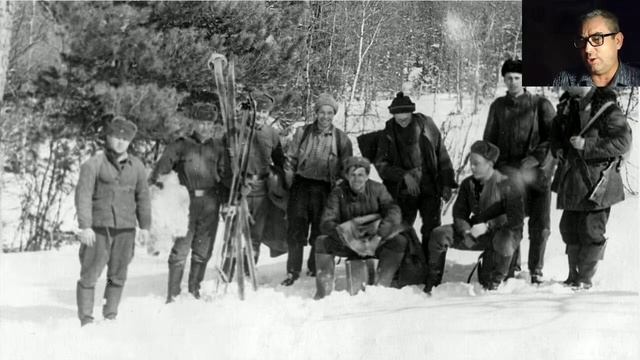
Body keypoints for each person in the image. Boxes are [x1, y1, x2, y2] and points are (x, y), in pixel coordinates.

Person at [550, 86, 631, 289]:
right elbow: (555, 135)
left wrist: (587, 144)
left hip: (596, 182)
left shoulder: (608, 109)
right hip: (573, 180)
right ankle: (572, 276)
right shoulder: (567, 106)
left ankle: (584, 280)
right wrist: (558, 149)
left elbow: (622, 142)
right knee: (569, 229)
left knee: (591, 230)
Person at [483, 59, 556, 284]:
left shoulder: (540, 104)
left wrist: (536, 157)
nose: (513, 82)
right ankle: (510, 265)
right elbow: (489, 142)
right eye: (509, 78)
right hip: (508, 175)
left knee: (540, 226)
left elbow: (553, 138)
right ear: (503, 80)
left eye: (517, 78)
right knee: (511, 222)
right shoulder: (498, 106)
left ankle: (536, 270)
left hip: (538, 174)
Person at [75, 116, 151, 326]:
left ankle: (110, 316)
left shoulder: (137, 167)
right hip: (99, 229)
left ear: (130, 142)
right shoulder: (94, 164)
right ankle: (86, 320)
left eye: (125, 139)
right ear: (108, 137)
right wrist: (85, 226)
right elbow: (83, 196)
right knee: (90, 274)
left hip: (126, 229)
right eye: (116, 137)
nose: (120, 142)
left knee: (118, 275)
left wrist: (145, 226)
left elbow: (143, 197)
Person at [425, 141, 525, 293]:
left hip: (502, 237)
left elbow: (516, 219)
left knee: (487, 280)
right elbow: (459, 213)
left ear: (490, 164)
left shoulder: (507, 184)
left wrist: (488, 226)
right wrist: (465, 231)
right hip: (476, 234)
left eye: (476, 164)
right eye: (471, 163)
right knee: (439, 234)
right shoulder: (468, 184)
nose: (471, 167)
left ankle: (497, 281)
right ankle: (433, 282)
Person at [149, 116, 227, 302]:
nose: (205, 126)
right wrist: (159, 191)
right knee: (181, 249)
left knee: (203, 249)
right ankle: (173, 294)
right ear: (194, 123)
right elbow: (162, 170)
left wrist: (228, 201)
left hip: (210, 203)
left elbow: (225, 177)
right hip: (185, 203)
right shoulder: (181, 145)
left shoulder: (218, 148)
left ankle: (194, 289)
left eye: (209, 123)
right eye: (202, 122)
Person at [374, 92, 457, 264]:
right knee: (402, 230)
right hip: (403, 191)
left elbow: (441, 153)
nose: (403, 121)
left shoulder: (427, 126)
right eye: (399, 118)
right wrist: (404, 175)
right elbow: (382, 166)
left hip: (430, 187)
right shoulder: (387, 134)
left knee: (432, 231)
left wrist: (447, 183)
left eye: (406, 117)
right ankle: (408, 269)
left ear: (412, 113)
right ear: (393, 114)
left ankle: (432, 272)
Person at [281, 93, 353, 286]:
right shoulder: (302, 133)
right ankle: (292, 271)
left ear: (334, 115)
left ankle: (314, 267)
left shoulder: (342, 139)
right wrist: (291, 185)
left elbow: (347, 170)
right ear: (316, 113)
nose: (325, 117)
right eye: (322, 112)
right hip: (301, 186)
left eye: (330, 113)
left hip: (325, 189)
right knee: (296, 229)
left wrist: (338, 190)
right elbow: (290, 160)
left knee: (320, 230)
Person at [314, 157, 407, 299]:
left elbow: (393, 211)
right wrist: (347, 235)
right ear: (346, 176)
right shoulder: (338, 193)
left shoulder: (378, 189)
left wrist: (379, 235)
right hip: (348, 241)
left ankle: (381, 287)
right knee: (321, 242)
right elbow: (327, 222)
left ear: (367, 176)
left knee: (399, 241)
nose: (356, 179)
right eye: (352, 175)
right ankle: (323, 293)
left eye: (360, 175)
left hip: (374, 240)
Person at [232, 91, 287, 262]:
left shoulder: (271, 133)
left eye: (265, 112)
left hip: (262, 189)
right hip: (240, 187)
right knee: (234, 232)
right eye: (258, 111)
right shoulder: (237, 131)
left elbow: (280, 161)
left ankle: (249, 270)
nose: (261, 115)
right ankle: (229, 268)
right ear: (251, 111)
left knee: (256, 233)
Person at [553, 9, 640, 88]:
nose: (587, 49)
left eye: (596, 39)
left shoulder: (637, 79)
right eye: (583, 41)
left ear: (618, 41)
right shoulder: (565, 81)